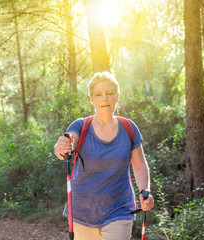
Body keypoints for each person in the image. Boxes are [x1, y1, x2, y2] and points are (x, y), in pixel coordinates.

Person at [54, 72, 154, 240]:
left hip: (120, 210)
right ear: (92, 99)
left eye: (109, 93)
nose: (104, 98)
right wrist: (62, 148)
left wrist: (145, 191)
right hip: (82, 213)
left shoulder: (129, 128)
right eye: (98, 94)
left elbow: (139, 165)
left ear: (117, 97)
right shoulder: (80, 126)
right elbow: (68, 142)